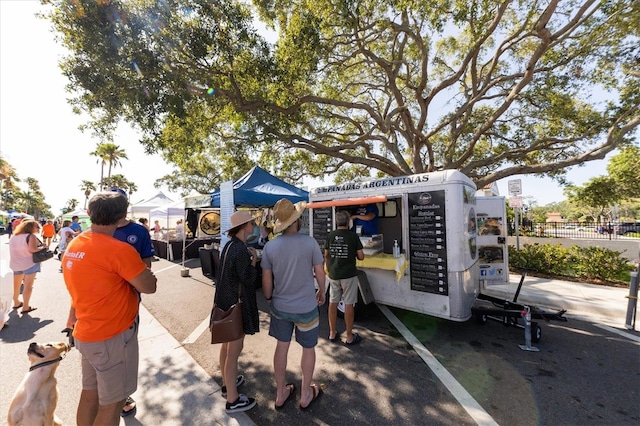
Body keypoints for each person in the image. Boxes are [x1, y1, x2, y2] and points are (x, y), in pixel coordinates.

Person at [63, 192, 157, 426]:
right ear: (123, 216)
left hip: (87, 331)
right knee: (112, 404)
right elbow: (149, 286)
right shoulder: (118, 250)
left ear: (89, 213)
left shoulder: (76, 243)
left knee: (89, 396)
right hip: (111, 337)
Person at [261, 198, 326, 411]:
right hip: (306, 307)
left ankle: (281, 392)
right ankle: (306, 393)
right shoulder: (310, 243)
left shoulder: (270, 246)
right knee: (308, 349)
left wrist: (269, 298)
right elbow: (319, 272)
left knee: (282, 347)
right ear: (296, 221)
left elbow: (267, 280)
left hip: (281, 306)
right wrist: (322, 291)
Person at [213, 210, 260, 413]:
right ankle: (232, 399)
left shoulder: (229, 246)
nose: (253, 226)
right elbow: (249, 278)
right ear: (244, 226)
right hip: (237, 305)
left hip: (225, 303)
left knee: (226, 348)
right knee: (234, 352)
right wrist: (255, 262)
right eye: (251, 223)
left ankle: (227, 384)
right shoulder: (241, 249)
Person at [113, 215, 156, 418]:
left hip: (128, 303)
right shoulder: (90, 238)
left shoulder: (138, 231)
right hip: (101, 310)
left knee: (123, 351)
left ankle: (120, 397)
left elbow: (147, 270)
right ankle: (118, 398)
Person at [324, 210, 365, 345]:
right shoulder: (353, 236)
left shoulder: (331, 235)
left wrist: (329, 268)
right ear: (348, 222)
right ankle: (348, 336)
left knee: (332, 303)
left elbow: (326, 255)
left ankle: (332, 332)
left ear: (337, 222)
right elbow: (361, 256)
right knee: (349, 304)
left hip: (334, 274)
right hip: (349, 275)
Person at [8, 219, 43, 314]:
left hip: (15, 264)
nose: (39, 228)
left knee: (16, 286)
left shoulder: (14, 236)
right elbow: (33, 249)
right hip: (29, 264)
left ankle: (16, 302)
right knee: (28, 286)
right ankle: (26, 306)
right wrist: (43, 247)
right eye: (37, 226)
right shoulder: (30, 236)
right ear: (30, 227)